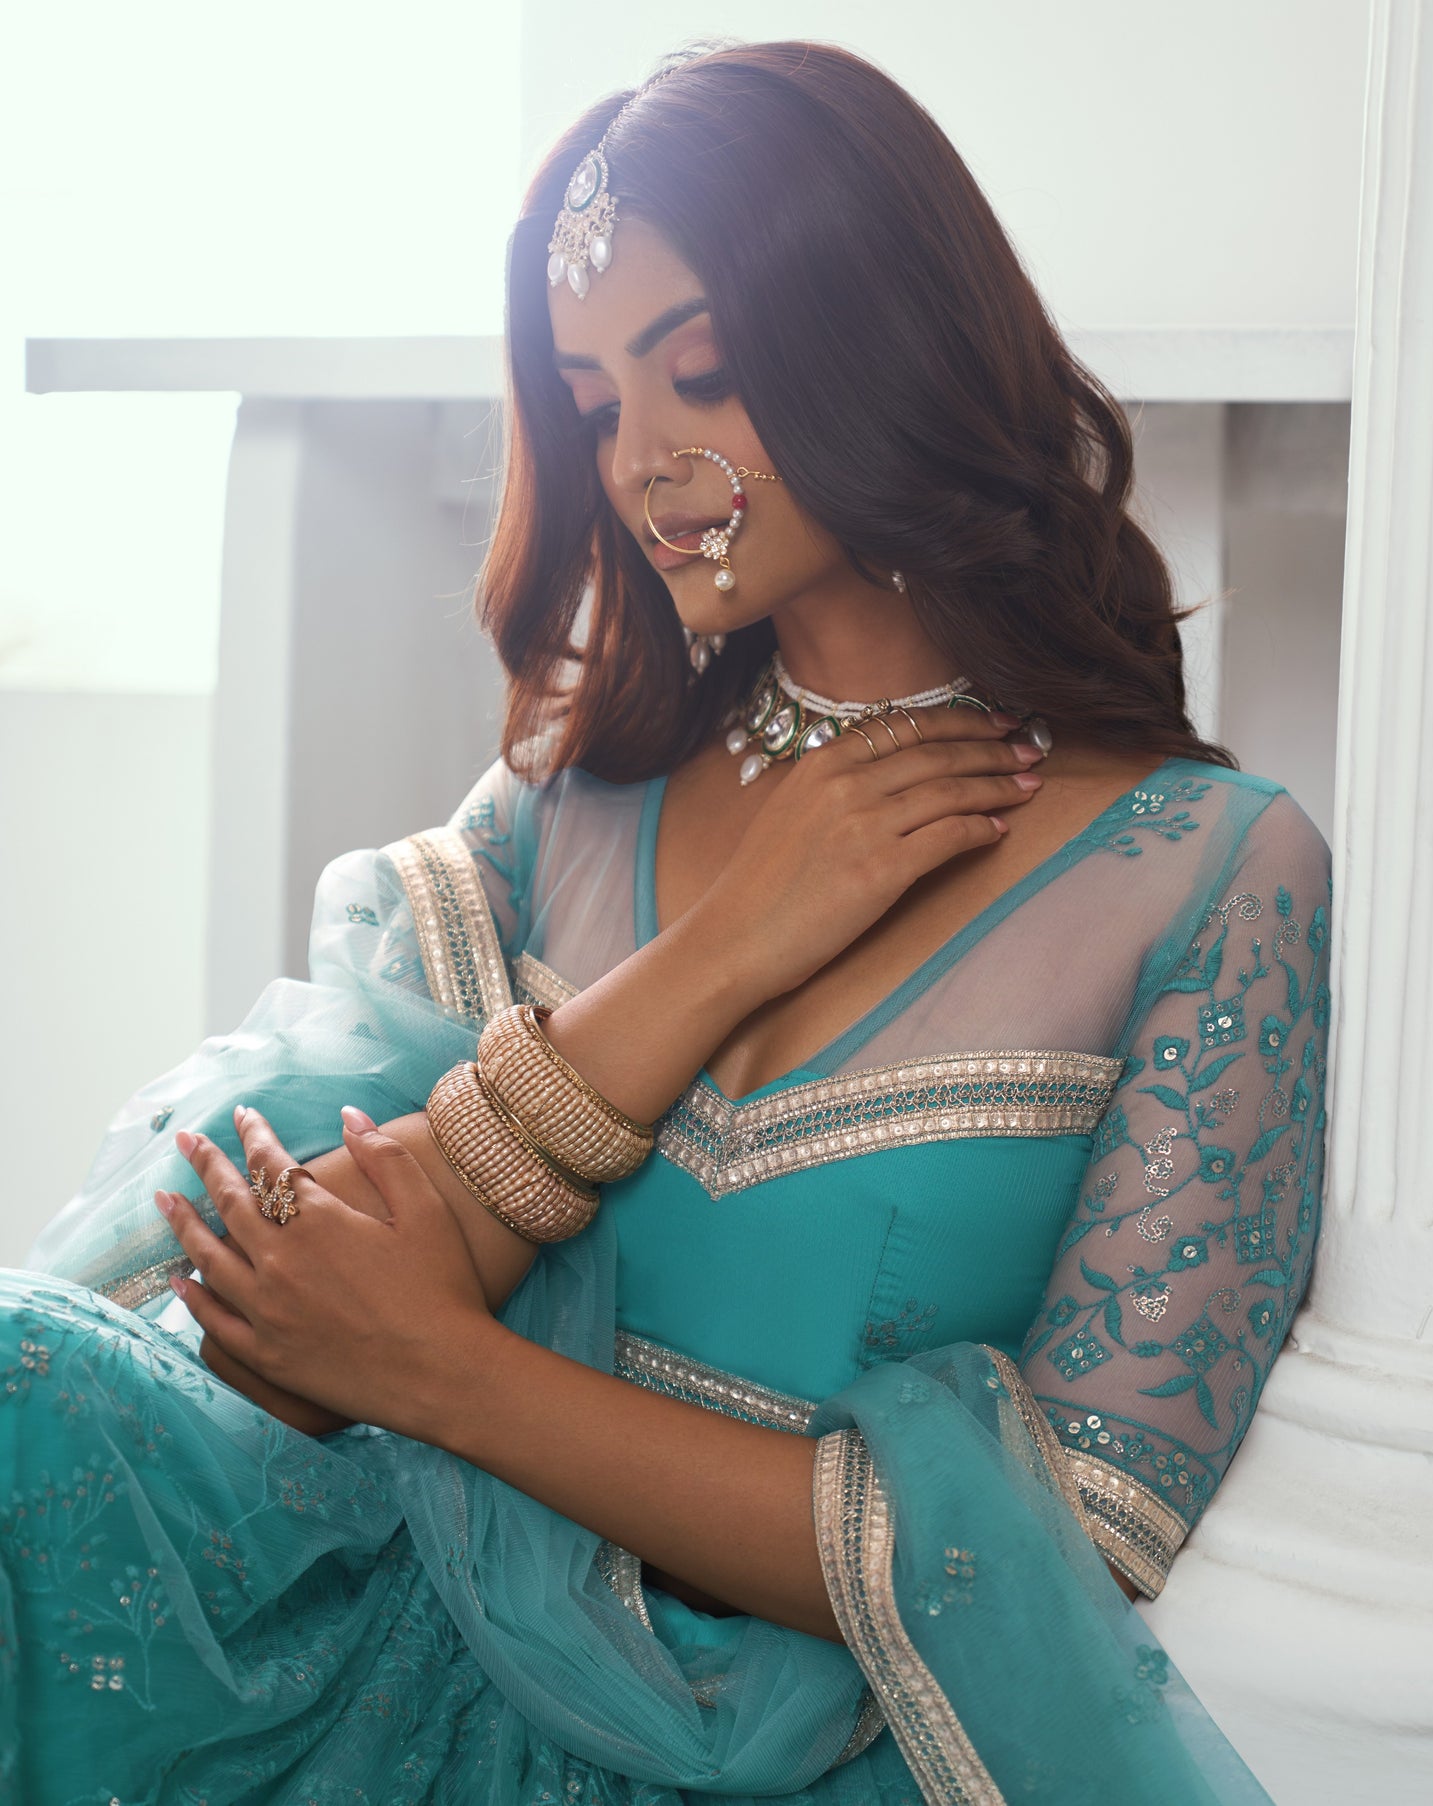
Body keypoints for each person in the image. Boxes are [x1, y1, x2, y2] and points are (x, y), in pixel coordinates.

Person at [2, 38, 1330, 1805]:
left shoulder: (1209, 869)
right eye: (597, 399)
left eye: (701, 369)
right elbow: (273, 1306)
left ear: (888, 342)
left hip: (799, 1748)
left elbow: (1071, 1541)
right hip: (418, 1654)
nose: (645, 457)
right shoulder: (568, 802)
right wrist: (721, 948)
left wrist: (451, 1374)